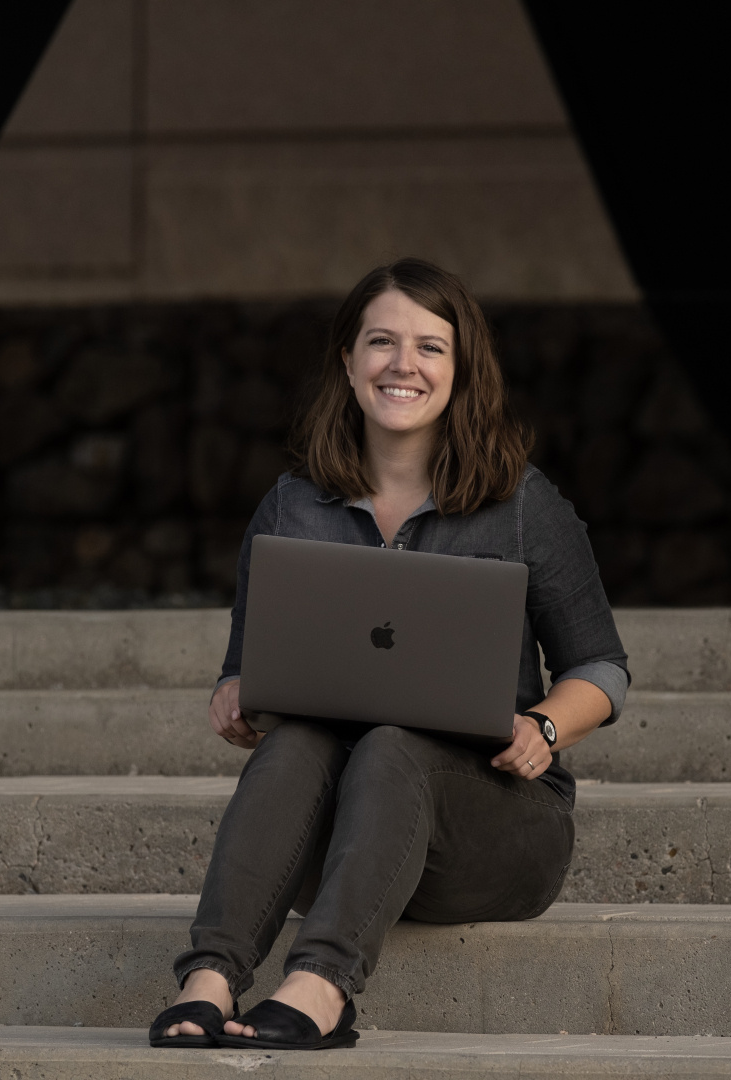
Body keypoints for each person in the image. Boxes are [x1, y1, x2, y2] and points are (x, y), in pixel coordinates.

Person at [149, 257, 629, 1051]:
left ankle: (322, 988)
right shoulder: (292, 505)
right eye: (381, 342)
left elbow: (602, 668)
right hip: (339, 841)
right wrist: (232, 697)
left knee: (394, 745)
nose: (403, 365)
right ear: (348, 360)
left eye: (430, 347)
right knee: (302, 741)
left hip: (492, 829)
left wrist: (543, 728)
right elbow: (246, 666)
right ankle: (210, 978)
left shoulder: (521, 504)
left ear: (461, 368)